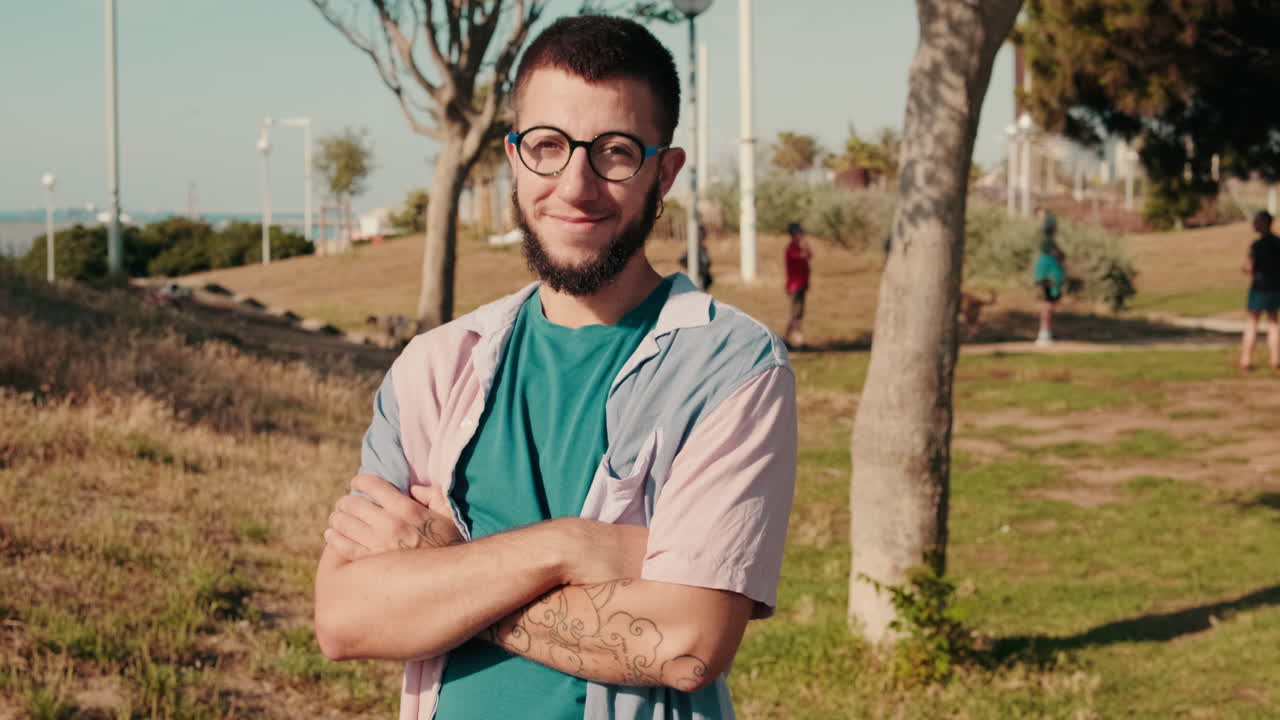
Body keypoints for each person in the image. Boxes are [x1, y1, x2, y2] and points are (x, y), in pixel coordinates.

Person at [314, 16, 797, 720]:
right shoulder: (436, 367)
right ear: (514, 158)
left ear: (665, 172)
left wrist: (446, 569)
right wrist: (568, 547)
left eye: (615, 152)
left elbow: (689, 644)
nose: (576, 185)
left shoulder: (731, 369)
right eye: (547, 146)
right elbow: (345, 617)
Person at [1239, 210, 1280, 370]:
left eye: (1257, 220)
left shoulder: (1257, 245)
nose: (1254, 223)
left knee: (1252, 322)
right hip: (1276, 288)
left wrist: (1244, 268)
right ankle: (1275, 359)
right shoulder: (1278, 242)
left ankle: (1246, 359)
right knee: (1273, 322)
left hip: (1259, 288)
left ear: (1264, 223)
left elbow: (1250, 267)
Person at [1032, 211, 1066, 346]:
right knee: (1048, 304)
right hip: (1049, 275)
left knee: (1049, 303)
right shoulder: (1047, 240)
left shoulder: (1048, 240)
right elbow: (1057, 254)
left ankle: (1046, 332)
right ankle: (1044, 333)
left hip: (1048, 274)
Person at [783, 221, 812, 348]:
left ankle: (785, 339)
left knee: (797, 314)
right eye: (800, 232)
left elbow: (810, 255)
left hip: (801, 285)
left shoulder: (798, 247)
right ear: (794, 233)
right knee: (796, 314)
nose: (802, 234)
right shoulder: (791, 249)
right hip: (795, 285)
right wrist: (805, 244)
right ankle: (799, 340)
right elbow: (805, 255)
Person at [678, 223, 713, 289]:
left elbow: (707, 263)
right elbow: (682, 260)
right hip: (696, 277)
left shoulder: (703, 248)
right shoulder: (693, 249)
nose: (702, 237)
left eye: (703, 235)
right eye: (700, 235)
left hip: (702, 279)